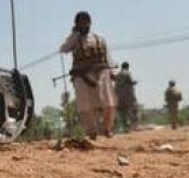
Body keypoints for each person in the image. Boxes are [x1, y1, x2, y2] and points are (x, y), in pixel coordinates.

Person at [59, 11, 116, 139]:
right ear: (77, 24)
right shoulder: (74, 38)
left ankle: (107, 128)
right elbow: (63, 49)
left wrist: (112, 72)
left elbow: (107, 55)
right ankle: (91, 131)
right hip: (81, 75)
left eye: (86, 21)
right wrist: (74, 34)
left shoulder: (99, 38)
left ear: (90, 22)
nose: (84, 24)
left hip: (101, 73)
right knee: (85, 105)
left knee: (108, 103)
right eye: (81, 22)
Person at [114, 62, 139, 132]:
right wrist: (134, 82)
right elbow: (130, 81)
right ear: (127, 67)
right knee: (133, 109)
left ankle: (126, 127)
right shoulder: (127, 73)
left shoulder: (118, 74)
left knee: (122, 111)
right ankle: (133, 126)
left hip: (119, 95)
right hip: (128, 95)